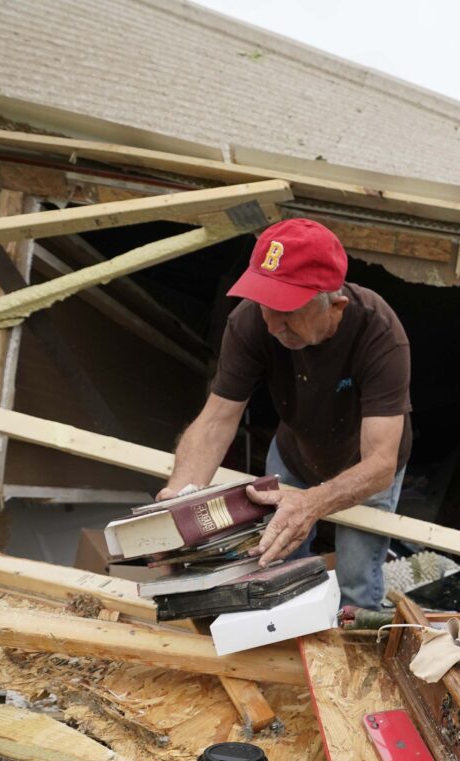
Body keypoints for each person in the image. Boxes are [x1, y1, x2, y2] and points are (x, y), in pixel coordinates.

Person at [159, 219, 411, 609]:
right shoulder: (250, 322)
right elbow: (215, 420)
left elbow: (380, 462)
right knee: (276, 563)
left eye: (287, 309)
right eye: (265, 303)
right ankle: (289, 634)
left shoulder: (379, 333)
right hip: (295, 453)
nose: (273, 323)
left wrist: (312, 503)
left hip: (364, 467)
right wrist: (179, 497)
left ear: (335, 305)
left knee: (357, 579)